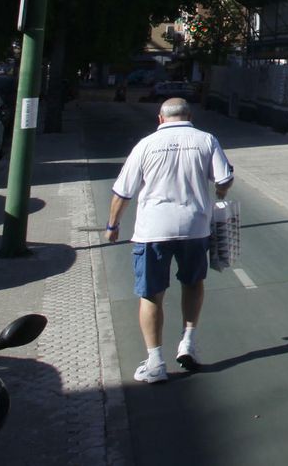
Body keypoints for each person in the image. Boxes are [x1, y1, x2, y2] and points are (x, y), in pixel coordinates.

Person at [106, 97, 234, 383]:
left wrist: (112, 225)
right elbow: (224, 178)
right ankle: (188, 342)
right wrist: (221, 196)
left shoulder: (146, 145)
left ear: (160, 119)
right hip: (195, 228)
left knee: (151, 294)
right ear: (190, 115)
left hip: (153, 230)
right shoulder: (205, 140)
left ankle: (155, 362)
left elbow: (122, 193)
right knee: (193, 283)